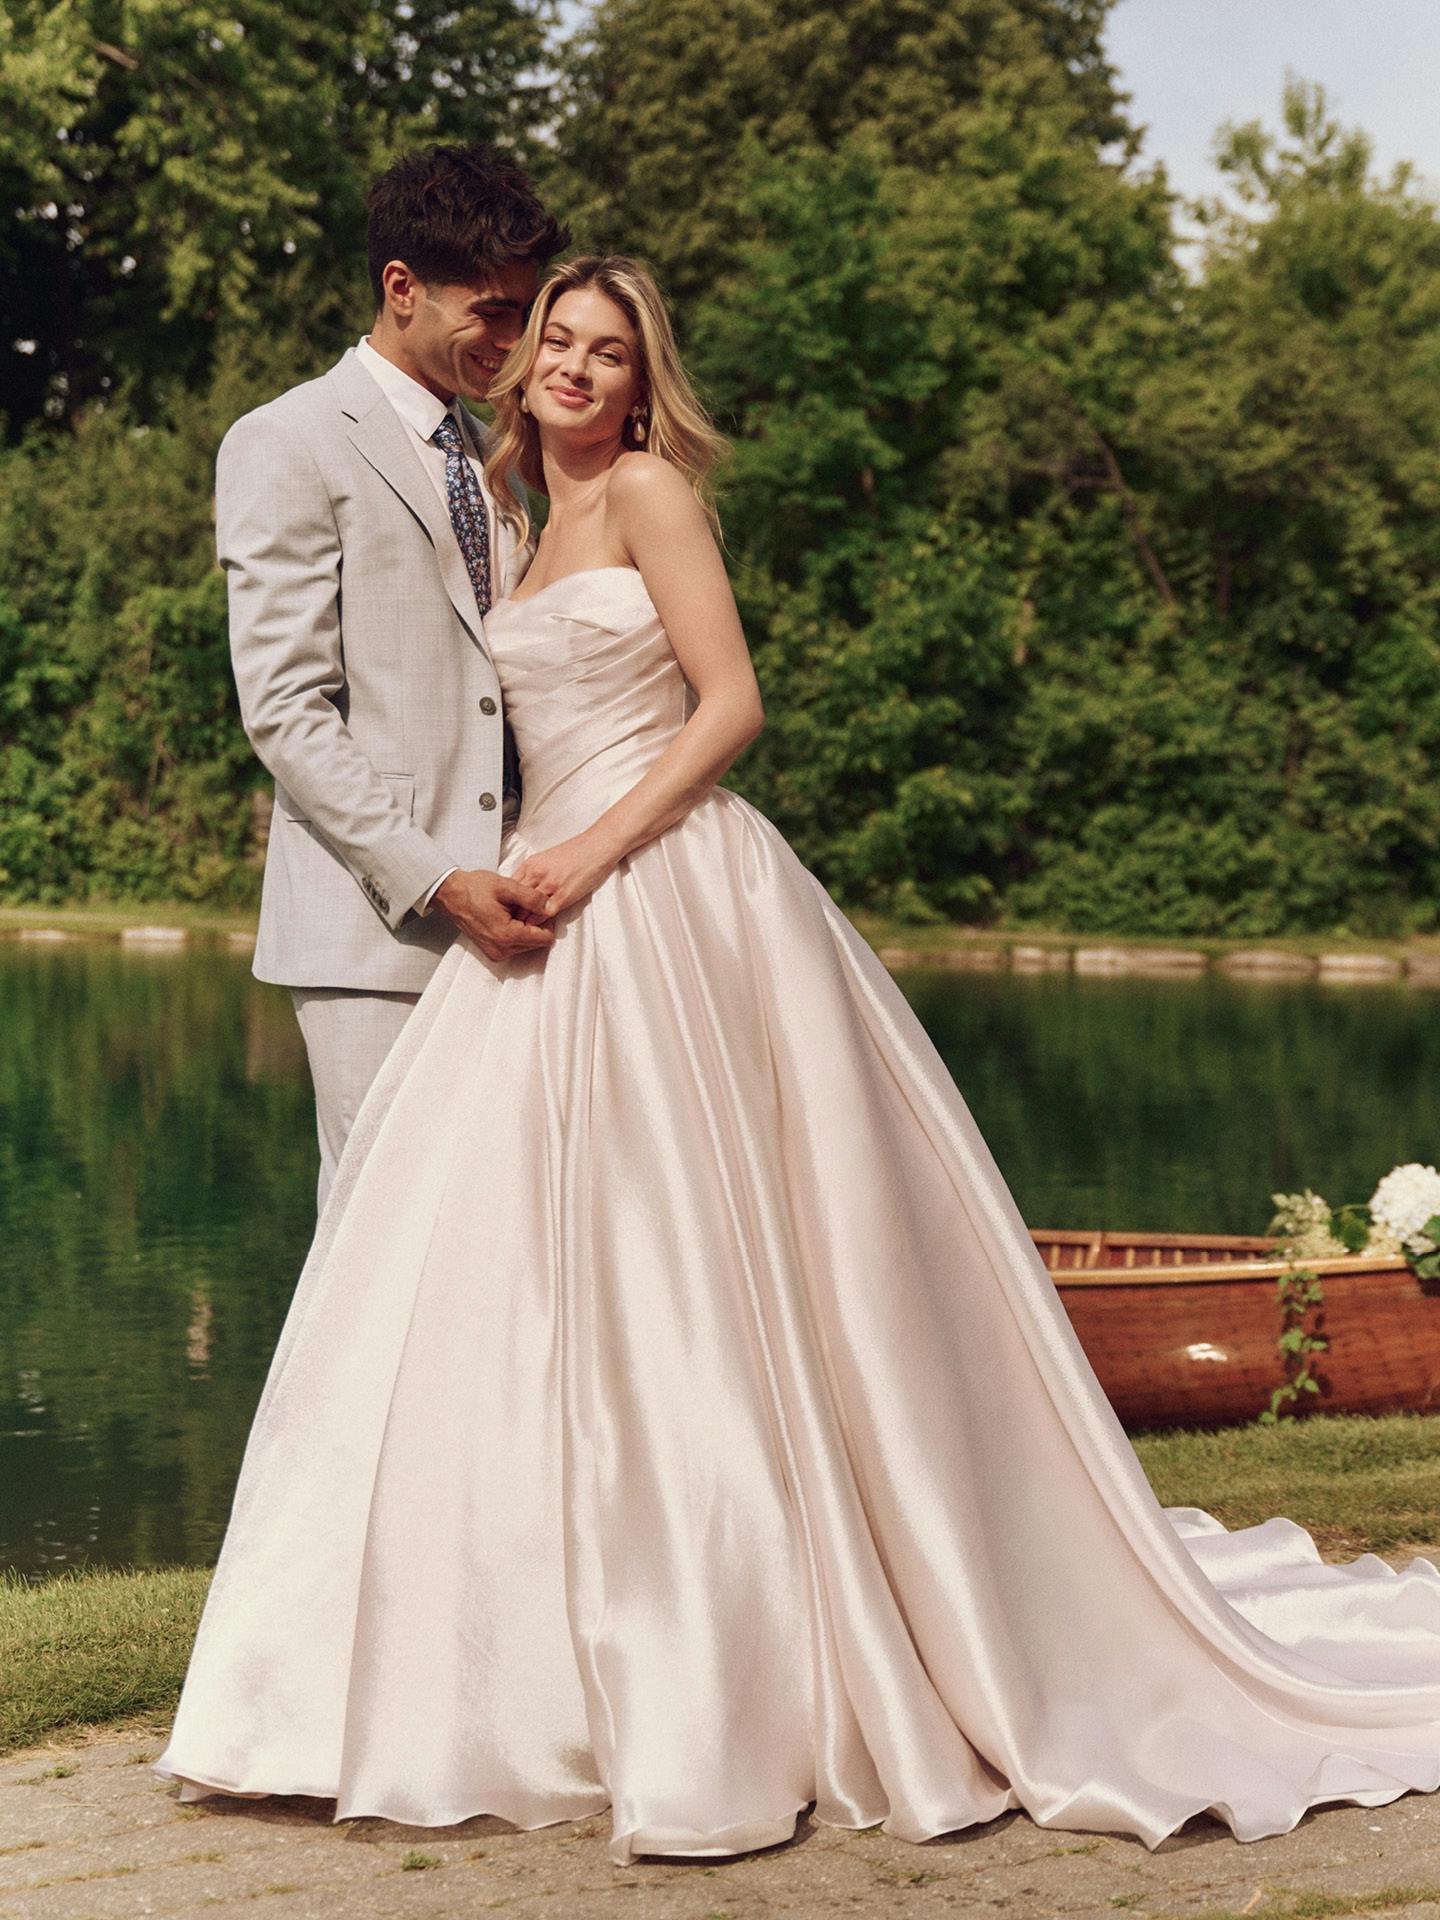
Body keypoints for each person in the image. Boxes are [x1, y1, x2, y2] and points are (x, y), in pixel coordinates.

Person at [155, 256, 1440, 1868]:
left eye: (604, 350)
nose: (567, 364)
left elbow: (730, 704)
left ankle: (756, 1636)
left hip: (667, 889)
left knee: (708, 1269)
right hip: (527, 919)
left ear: (642, 380)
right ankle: (507, 1657)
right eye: (552, 336)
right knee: (509, 1293)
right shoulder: (494, 507)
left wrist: (601, 849)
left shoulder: (649, 498)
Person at [220, 142, 567, 1212]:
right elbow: (285, 710)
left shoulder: (496, 461)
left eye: (526, 314)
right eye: (494, 312)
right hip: (379, 929)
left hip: (514, 913)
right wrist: (434, 875)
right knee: (378, 1237)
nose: (512, 341)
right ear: (401, 288)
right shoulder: (285, 441)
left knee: (492, 1236)